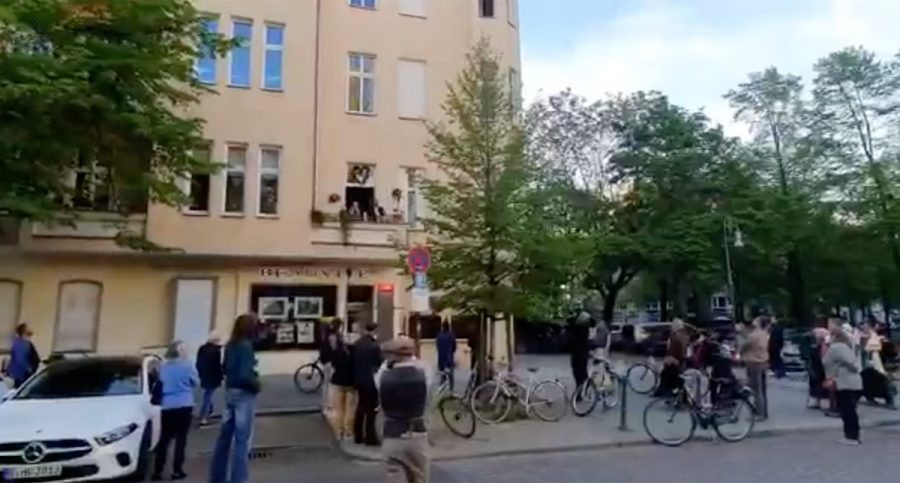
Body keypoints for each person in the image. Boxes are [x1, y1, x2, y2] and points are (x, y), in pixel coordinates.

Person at [210, 314, 261, 483]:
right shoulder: (246, 346)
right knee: (242, 441)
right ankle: (239, 479)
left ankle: (217, 477)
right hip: (244, 395)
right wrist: (256, 384)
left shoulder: (231, 345)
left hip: (230, 392)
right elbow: (245, 374)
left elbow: (225, 368)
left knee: (224, 439)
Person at [377, 337, 430, 483]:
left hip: (392, 433)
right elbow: (429, 399)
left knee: (394, 474)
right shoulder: (424, 372)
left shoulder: (383, 375)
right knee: (420, 477)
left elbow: (380, 398)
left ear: (391, 355)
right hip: (418, 434)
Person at [153, 341, 199, 481]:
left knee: (164, 440)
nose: (186, 351)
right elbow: (196, 382)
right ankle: (176, 471)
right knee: (181, 439)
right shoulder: (187, 365)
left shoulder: (163, 367)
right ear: (179, 351)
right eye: (184, 349)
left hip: (167, 405)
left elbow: (159, 383)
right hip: (184, 404)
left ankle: (157, 471)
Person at [823, 319, 863, 445]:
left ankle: (851, 436)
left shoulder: (836, 348)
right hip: (854, 382)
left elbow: (826, 361)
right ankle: (853, 435)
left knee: (847, 411)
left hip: (846, 383)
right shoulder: (847, 346)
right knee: (850, 410)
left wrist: (834, 372)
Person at [352, 323, 383, 446]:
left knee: (360, 407)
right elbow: (379, 363)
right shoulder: (374, 346)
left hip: (359, 380)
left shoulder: (357, 344)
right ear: (374, 331)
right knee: (371, 410)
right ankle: (370, 438)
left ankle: (358, 435)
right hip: (371, 381)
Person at [328, 319, 356, 441]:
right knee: (349, 409)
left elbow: (333, 364)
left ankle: (338, 432)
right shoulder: (353, 355)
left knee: (338, 409)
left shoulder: (337, 353)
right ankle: (348, 431)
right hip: (350, 383)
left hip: (338, 382)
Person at [741, 316, 769, 420]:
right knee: (762, 389)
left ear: (758, 323)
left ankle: (759, 413)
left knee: (756, 390)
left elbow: (745, 345)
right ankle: (764, 412)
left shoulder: (754, 335)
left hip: (754, 363)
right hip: (763, 362)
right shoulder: (764, 334)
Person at [654, 318, 690, 397]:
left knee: (667, 372)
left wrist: (673, 359)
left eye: (673, 325)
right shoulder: (679, 335)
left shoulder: (677, 335)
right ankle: (665, 391)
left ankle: (665, 391)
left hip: (678, 361)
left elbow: (677, 350)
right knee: (666, 372)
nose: (671, 327)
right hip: (678, 360)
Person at [196, 332, 224, 427]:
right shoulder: (216, 351)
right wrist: (221, 376)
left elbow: (198, 362)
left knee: (208, 394)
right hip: (212, 376)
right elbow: (217, 365)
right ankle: (204, 416)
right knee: (208, 396)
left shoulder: (202, 348)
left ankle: (209, 411)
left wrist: (200, 373)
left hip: (204, 374)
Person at [8, 323, 40, 388]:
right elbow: (20, 360)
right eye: (28, 329)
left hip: (24, 374)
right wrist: (29, 369)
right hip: (21, 375)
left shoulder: (26, 343)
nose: (31, 330)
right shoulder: (20, 344)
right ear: (24, 332)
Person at [567, 312, 592, 393]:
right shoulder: (583, 327)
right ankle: (587, 386)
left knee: (580, 372)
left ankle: (582, 388)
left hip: (581, 353)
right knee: (582, 372)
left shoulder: (581, 328)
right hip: (581, 352)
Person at [435, 321, 457, 391]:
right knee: (450, 376)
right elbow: (454, 347)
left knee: (442, 376)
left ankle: (442, 390)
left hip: (441, 358)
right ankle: (451, 390)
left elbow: (437, 346)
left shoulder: (439, 335)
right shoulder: (451, 335)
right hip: (449, 358)